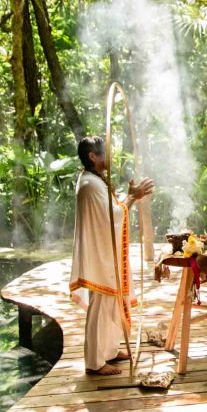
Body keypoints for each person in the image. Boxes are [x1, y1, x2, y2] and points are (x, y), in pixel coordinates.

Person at [70, 135, 154, 376]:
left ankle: (109, 351)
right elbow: (111, 217)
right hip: (100, 257)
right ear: (92, 156)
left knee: (111, 305)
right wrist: (133, 197)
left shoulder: (94, 180)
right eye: (104, 152)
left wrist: (130, 197)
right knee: (100, 306)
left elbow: (113, 212)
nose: (110, 156)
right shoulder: (89, 184)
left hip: (106, 253)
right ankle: (94, 363)